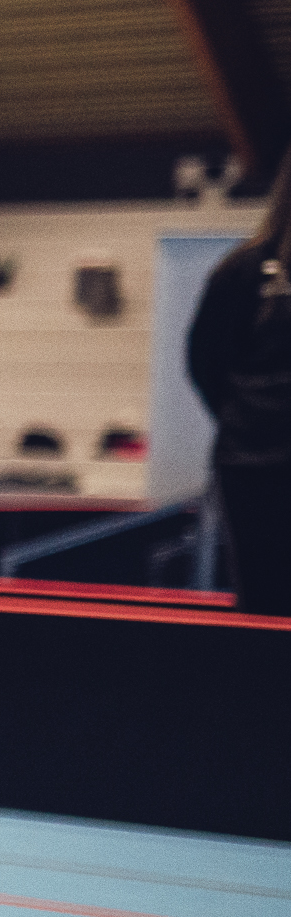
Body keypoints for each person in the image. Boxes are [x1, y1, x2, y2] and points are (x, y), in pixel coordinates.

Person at [187, 163, 291, 614]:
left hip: (251, 456)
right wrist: (246, 420)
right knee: (263, 602)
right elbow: (204, 361)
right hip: (251, 467)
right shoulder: (245, 269)